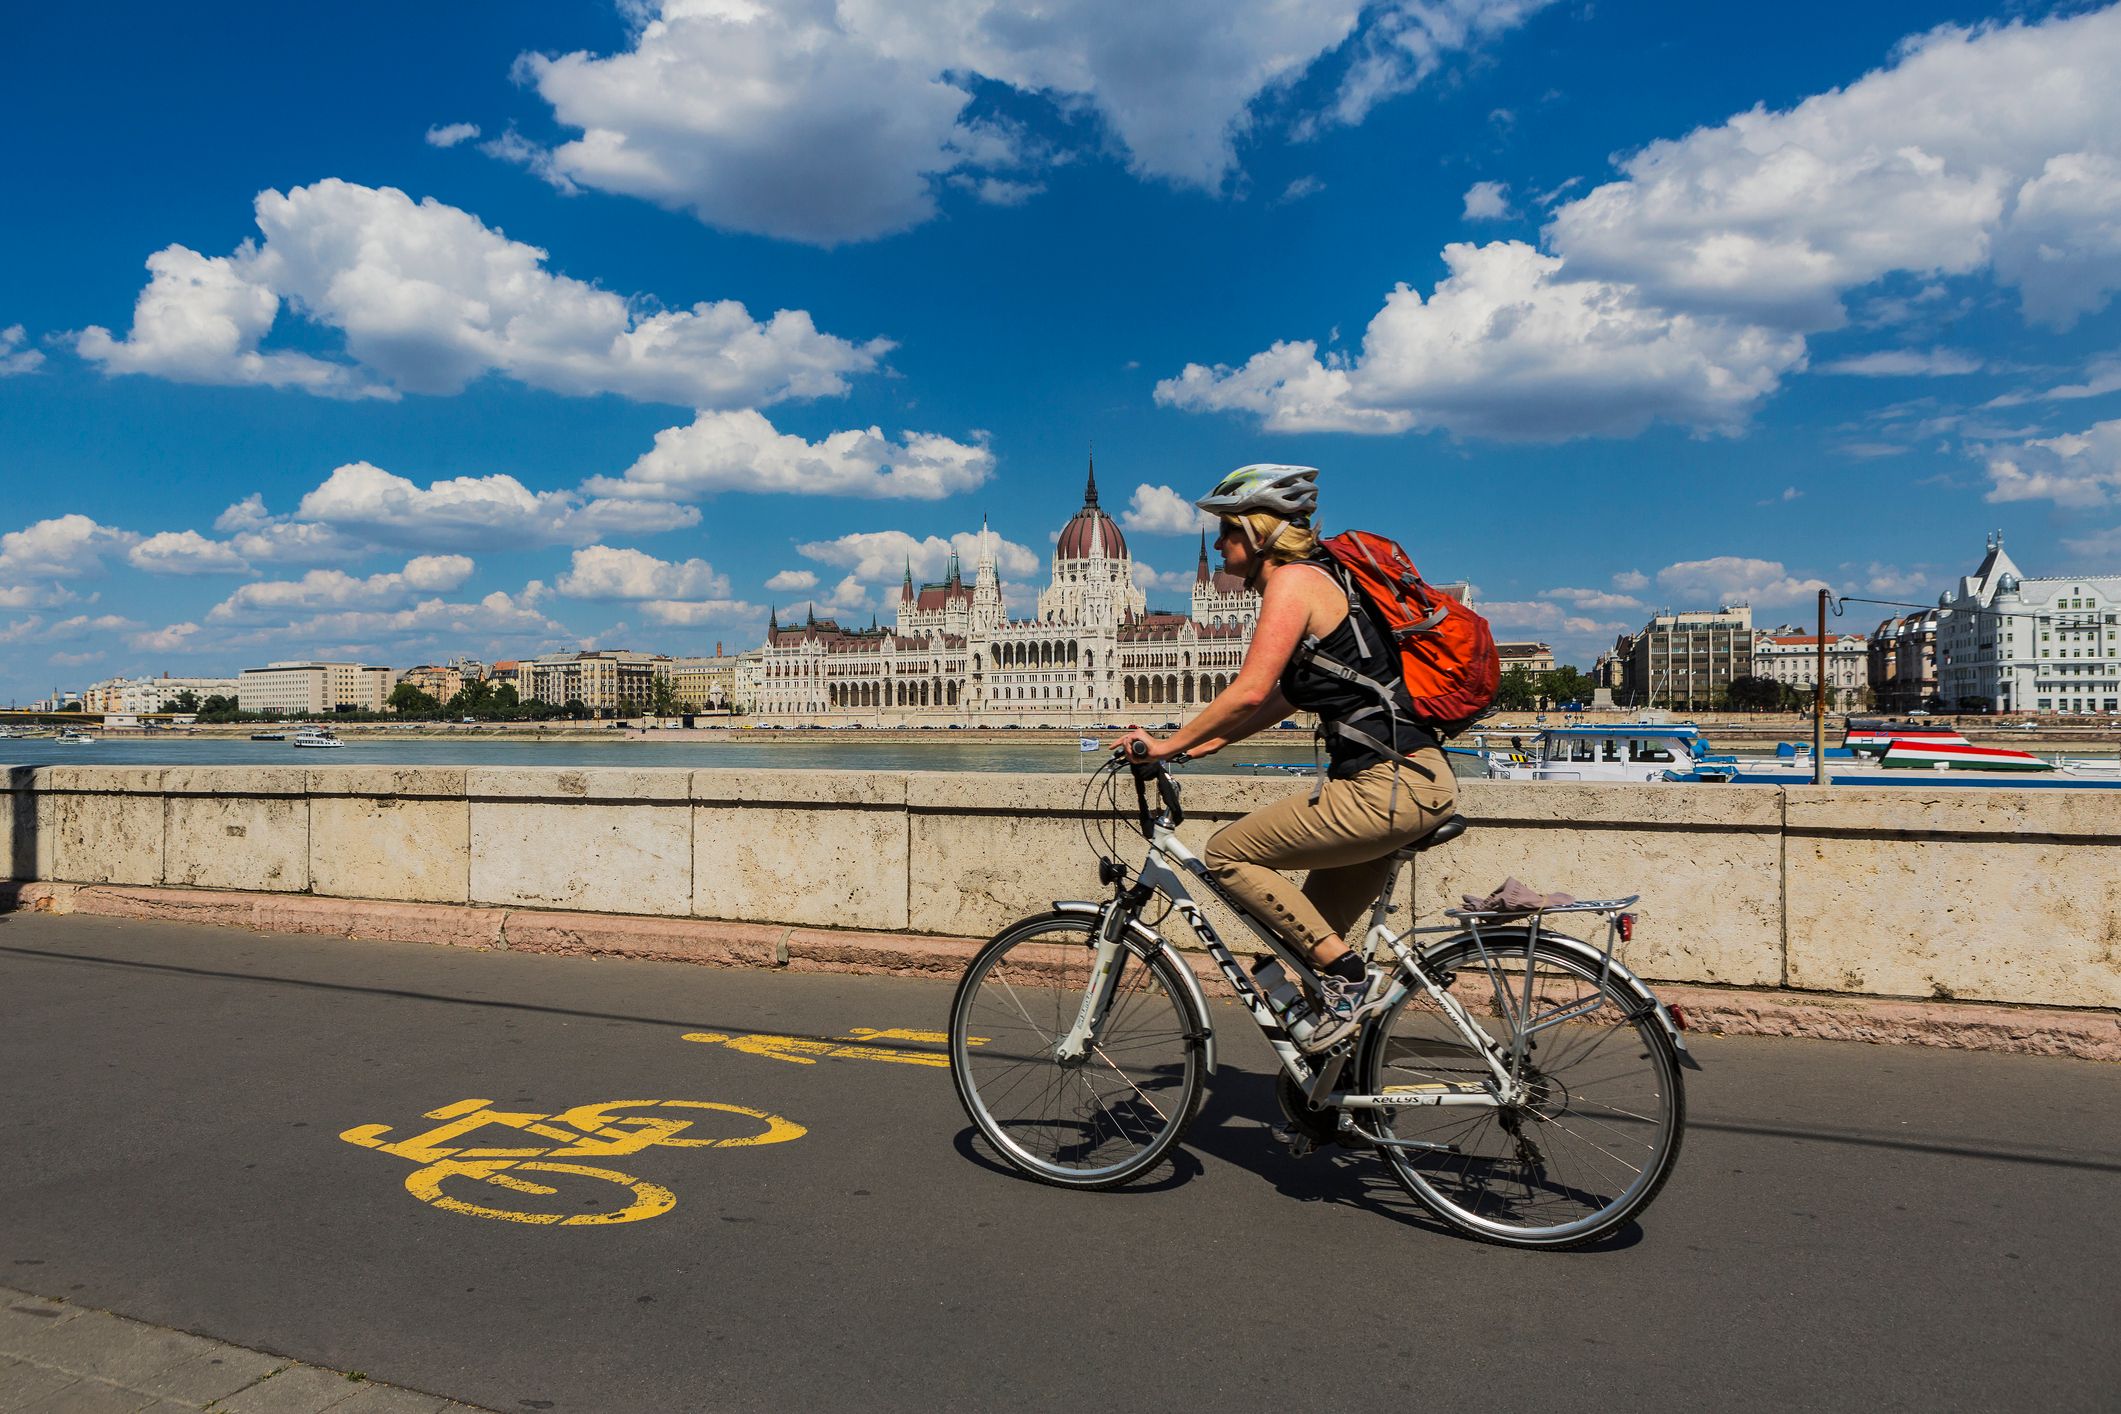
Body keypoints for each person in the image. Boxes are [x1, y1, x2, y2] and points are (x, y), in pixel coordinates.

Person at [1110, 464, 1457, 1051]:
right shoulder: (1324, 581)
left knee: (1227, 854)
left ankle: (1351, 984)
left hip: (1388, 786)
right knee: (1297, 948)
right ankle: (1338, 1086)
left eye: (1227, 532)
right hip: (1408, 781)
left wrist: (1167, 743)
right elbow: (1287, 694)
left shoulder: (1293, 583)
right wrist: (1210, 742)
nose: (1219, 545)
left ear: (1259, 532)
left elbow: (1248, 688)